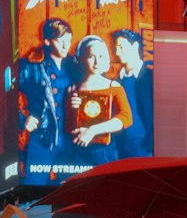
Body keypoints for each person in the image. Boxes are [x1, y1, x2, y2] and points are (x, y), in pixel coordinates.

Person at [18, 18, 78, 178]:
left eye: (69, 40)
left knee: (69, 192)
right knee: (33, 190)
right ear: (47, 41)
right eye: (61, 41)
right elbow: (4, 98)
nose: (66, 45)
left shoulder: (74, 66)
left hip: (70, 140)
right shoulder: (31, 65)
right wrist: (22, 119)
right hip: (42, 138)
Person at [64, 34, 133, 167]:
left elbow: (126, 118)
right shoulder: (72, 89)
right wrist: (72, 108)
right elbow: (67, 126)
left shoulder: (114, 87)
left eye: (101, 56)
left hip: (104, 150)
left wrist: (92, 131)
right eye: (91, 57)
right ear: (82, 59)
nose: (97, 62)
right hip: (78, 150)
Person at [111, 29, 154, 159]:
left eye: (121, 47)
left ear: (135, 46)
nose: (117, 52)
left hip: (147, 150)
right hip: (121, 151)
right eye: (116, 48)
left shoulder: (152, 78)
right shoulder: (115, 82)